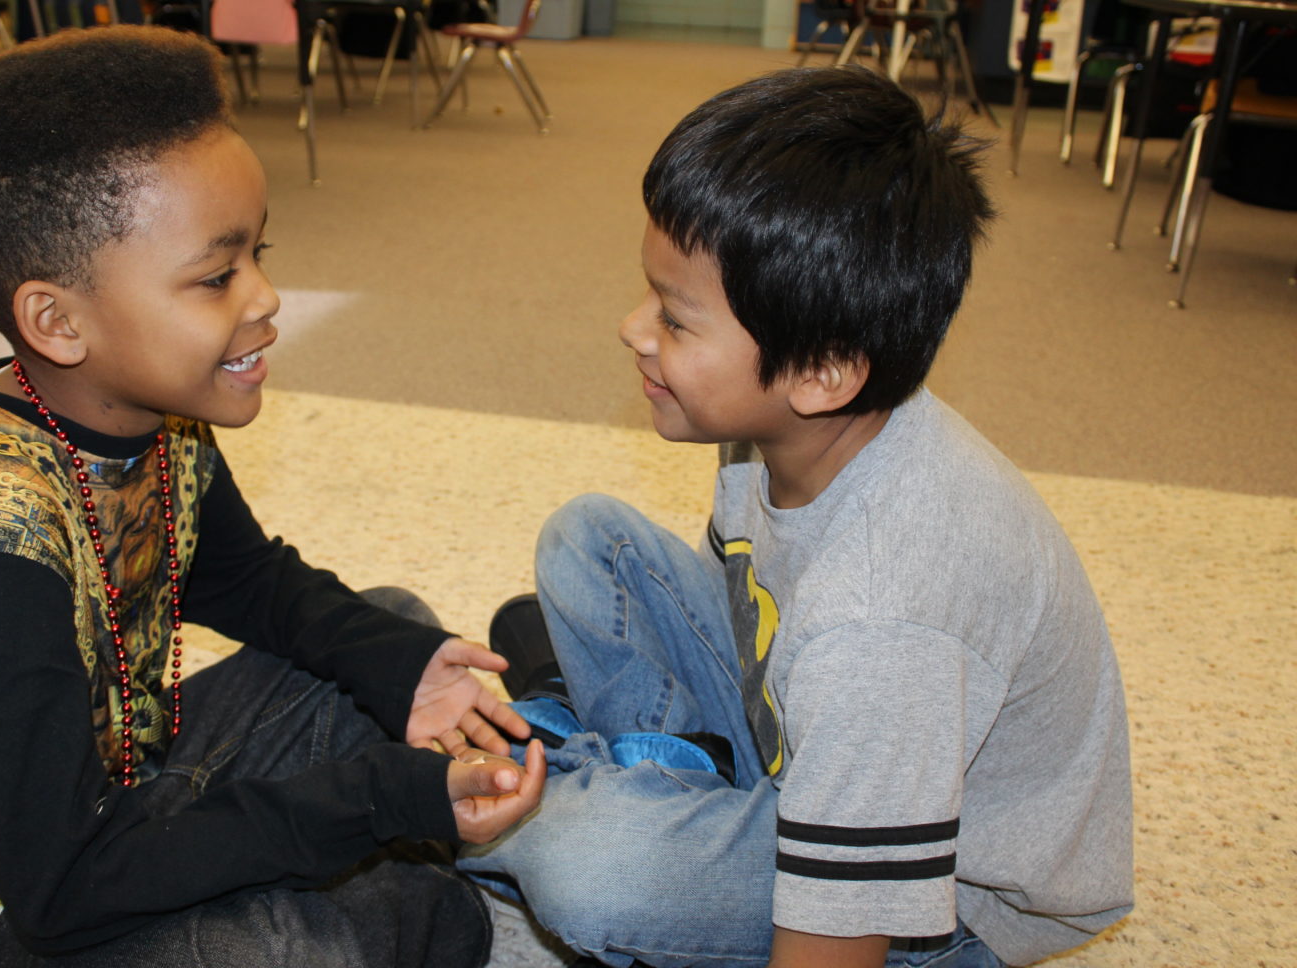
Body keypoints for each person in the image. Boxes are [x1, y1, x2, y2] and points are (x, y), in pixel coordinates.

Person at [0, 25, 545, 968]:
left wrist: (395, 659)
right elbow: (65, 886)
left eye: (258, 254)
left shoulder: (149, 410)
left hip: (120, 793)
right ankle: (404, 896)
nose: (266, 297)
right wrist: (372, 802)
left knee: (384, 638)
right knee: (296, 946)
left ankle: (402, 889)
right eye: (215, 276)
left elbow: (246, 580)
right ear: (57, 320)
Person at [462, 65, 1133, 968]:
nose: (633, 329)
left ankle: (585, 779)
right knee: (587, 539)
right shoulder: (790, 426)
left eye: (676, 318)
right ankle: (647, 776)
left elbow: (836, 943)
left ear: (821, 371)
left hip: (939, 899)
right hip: (802, 730)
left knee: (590, 868)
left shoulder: (885, 618)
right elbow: (755, 620)